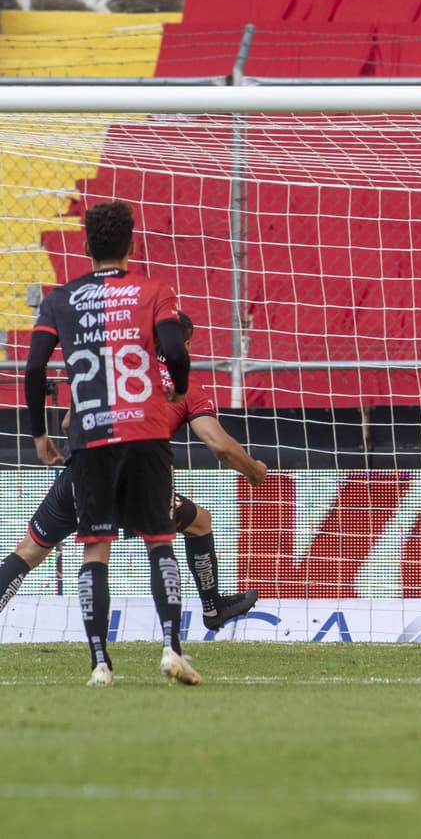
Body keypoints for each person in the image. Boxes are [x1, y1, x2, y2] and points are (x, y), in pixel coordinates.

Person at [23, 201, 204, 687]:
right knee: (160, 540)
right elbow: (171, 349)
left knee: (94, 547)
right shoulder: (154, 291)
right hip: (145, 432)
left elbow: (36, 367)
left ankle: (100, 663)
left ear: (85, 246)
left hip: (90, 435)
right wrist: (181, 389)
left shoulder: (59, 299)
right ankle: (171, 649)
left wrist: (39, 432)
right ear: (132, 244)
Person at [0, 312, 268, 635]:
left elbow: (70, 423)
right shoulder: (186, 386)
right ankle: (207, 613)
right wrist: (254, 471)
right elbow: (218, 444)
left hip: (83, 474)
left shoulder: (110, 365)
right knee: (181, 534)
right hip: (139, 481)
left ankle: (101, 655)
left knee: (30, 551)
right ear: (182, 345)